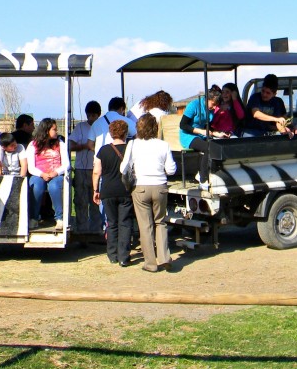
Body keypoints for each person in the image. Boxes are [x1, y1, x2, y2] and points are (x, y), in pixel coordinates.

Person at [121, 113, 176, 272]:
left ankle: (150, 263)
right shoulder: (163, 145)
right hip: (160, 186)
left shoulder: (133, 144)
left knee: (145, 226)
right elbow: (171, 170)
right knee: (161, 222)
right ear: (155, 128)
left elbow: (123, 168)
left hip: (140, 187)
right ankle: (164, 257)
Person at [92, 119, 134, 266]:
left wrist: (95, 190)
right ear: (125, 133)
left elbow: (97, 172)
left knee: (111, 223)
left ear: (110, 133)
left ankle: (112, 254)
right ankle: (124, 256)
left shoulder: (103, 150)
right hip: (125, 190)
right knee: (125, 223)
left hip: (108, 190)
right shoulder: (130, 149)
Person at [26, 117, 70, 230]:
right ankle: (34, 218)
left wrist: (56, 172)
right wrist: (42, 174)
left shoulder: (60, 143)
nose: (57, 131)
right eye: (54, 129)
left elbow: (66, 164)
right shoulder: (33, 145)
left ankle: (59, 218)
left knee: (54, 186)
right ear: (46, 131)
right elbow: (31, 167)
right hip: (39, 174)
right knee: (36, 186)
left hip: (56, 174)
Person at [69, 101, 103, 234]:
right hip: (81, 169)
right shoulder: (80, 127)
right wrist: (85, 146)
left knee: (96, 201)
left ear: (98, 115)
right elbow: (71, 145)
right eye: (89, 115)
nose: (91, 118)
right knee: (81, 202)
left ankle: (96, 230)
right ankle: (82, 231)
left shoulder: (101, 127)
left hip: (97, 168)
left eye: (94, 115)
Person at [179, 88, 226, 187]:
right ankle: (203, 179)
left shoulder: (210, 109)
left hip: (201, 135)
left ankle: (213, 173)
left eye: (216, 106)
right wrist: (201, 131)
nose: (214, 108)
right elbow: (183, 125)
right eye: (213, 104)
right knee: (208, 148)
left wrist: (217, 134)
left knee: (218, 145)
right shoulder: (193, 105)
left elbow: (206, 127)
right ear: (207, 99)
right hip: (188, 136)